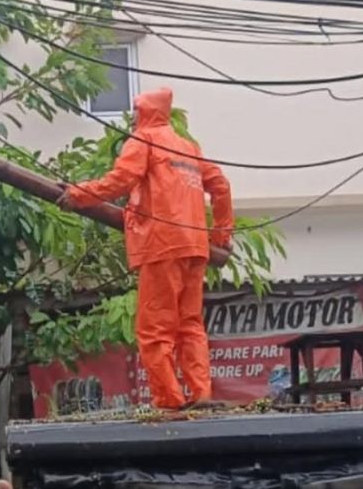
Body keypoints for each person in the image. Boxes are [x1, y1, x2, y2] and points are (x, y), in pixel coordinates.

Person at [56, 87, 234, 410]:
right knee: (190, 325)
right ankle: (201, 394)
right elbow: (221, 186)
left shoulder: (144, 141)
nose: (134, 117)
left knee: (154, 331)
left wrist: (78, 194)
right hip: (194, 249)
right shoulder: (188, 147)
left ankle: (169, 402)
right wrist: (220, 236)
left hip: (161, 246)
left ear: (143, 113)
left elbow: (120, 180)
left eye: (136, 111)